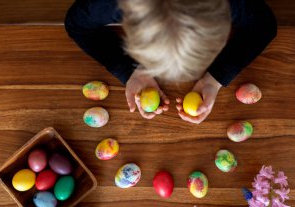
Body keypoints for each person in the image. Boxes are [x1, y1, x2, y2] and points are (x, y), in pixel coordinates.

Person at [65, 0, 276, 124]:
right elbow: (76, 25)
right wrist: (131, 70)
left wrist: (216, 78)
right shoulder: (109, 4)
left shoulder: (229, 4)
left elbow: (264, 26)